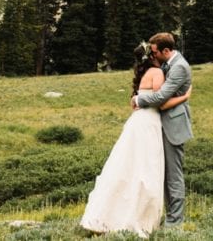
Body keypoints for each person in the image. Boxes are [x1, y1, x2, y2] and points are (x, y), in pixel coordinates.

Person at [80, 41, 192, 237]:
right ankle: (144, 219)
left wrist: (138, 99)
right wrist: (185, 97)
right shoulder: (157, 73)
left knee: (131, 169)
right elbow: (161, 102)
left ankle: (114, 215)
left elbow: (150, 97)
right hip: (149, 125)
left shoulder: (150, 72)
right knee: (146, 171)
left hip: (141, 123)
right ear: (153, 56)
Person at [133, 32, 193, 226]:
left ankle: (175, 222)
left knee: (173, 175)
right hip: (158, 124)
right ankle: (165, 216)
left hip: (172, 125)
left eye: (156, 52)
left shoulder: (180, 67)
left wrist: (138, 99)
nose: (153, 55)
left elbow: (161, 98)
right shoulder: (166, 65)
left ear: (166, 51)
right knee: (160, 172)